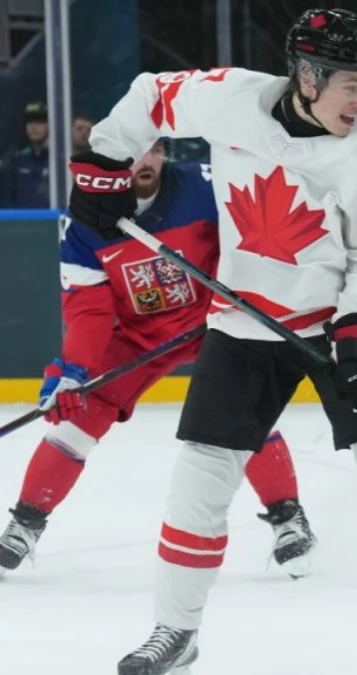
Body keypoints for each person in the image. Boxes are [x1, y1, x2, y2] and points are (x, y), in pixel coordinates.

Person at [67, 8, 357, 675]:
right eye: (349, 86)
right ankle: (174, 630)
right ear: (306, 74)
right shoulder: (231, 99)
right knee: (199, 480)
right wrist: (103, 162)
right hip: (245, 321)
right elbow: (151, 95)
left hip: (342, 328)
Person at [0, 139, 318, 581]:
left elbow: (259, 240)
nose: (142, 163)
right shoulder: (85, 219)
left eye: (150, 150)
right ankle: (25, 523)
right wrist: (73, 371)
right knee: (80, 415)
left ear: (164, 151)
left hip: (215, 321)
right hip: (136, 335)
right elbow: (89, 309)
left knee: (242, 410)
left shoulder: (208, 185)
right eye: (130, 155)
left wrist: (243, 299)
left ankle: (288, 517)